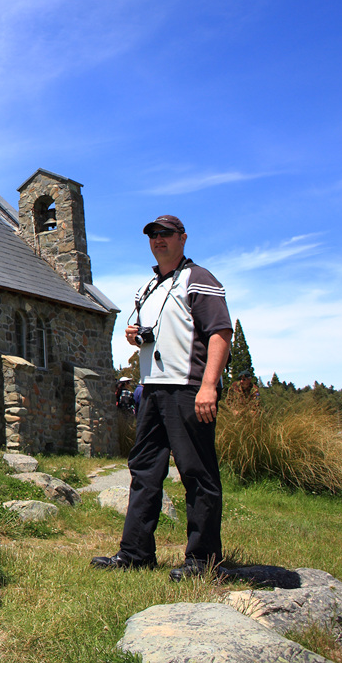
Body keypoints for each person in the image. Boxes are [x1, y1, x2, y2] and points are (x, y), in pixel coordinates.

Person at [92, 215, 233, 580]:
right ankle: (135, 553)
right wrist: (135, 336)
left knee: (197, 472)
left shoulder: (199, 279)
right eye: (153, 235)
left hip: (188, 388)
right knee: (144, 470)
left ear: (182, 238)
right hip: (152, 388)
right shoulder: (148, 287)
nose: (159, 239)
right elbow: (156, 334)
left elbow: (220, 332)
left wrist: (209, 386)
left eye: (166, 234)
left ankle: (203, 560)